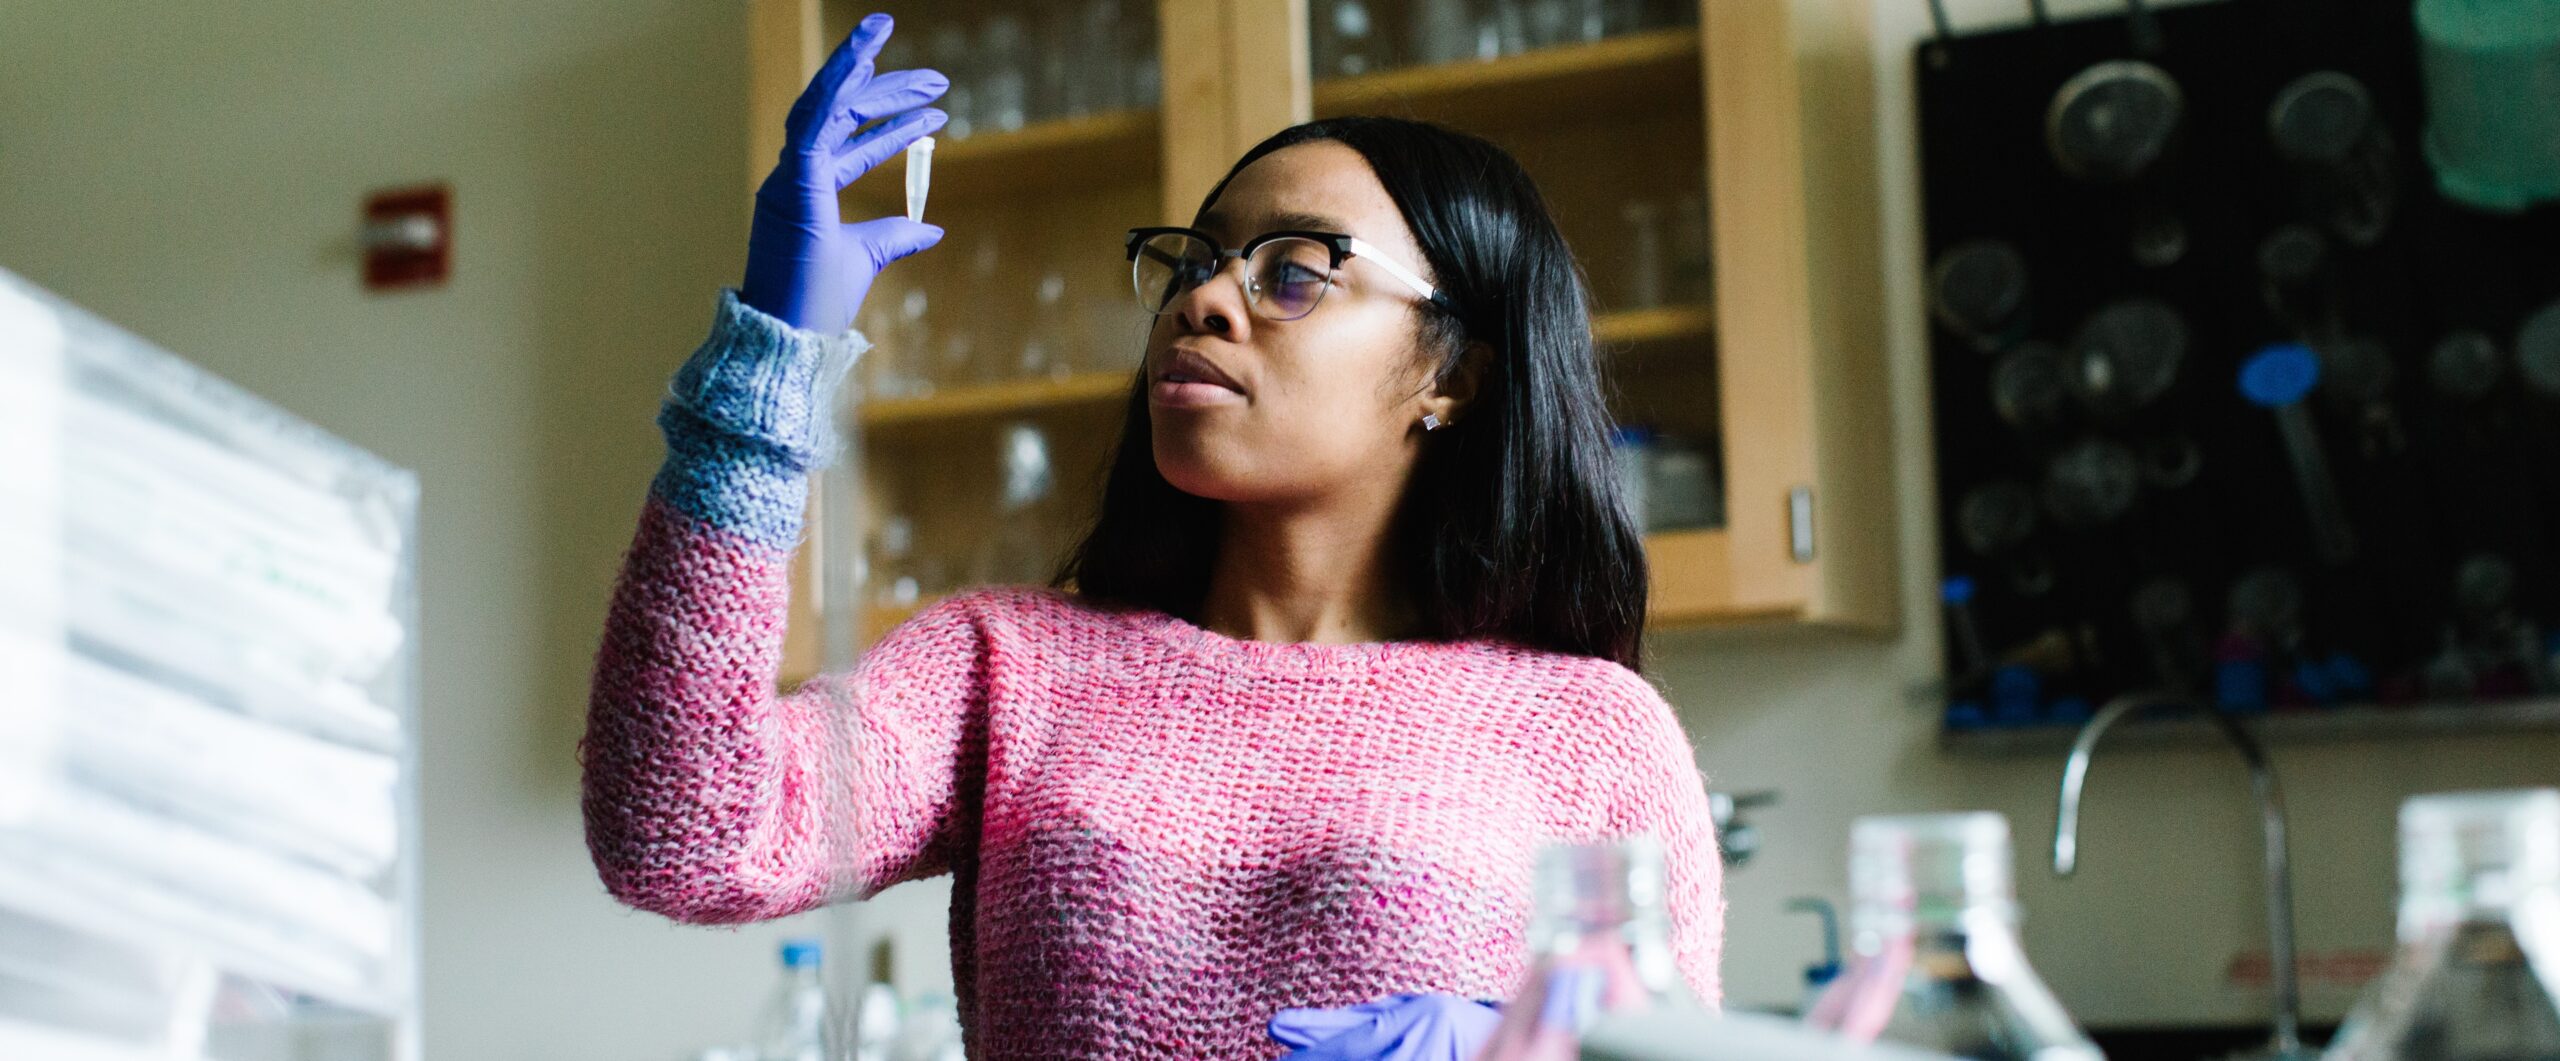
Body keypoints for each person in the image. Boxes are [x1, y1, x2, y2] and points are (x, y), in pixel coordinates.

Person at [580, 13, 1722, 1059]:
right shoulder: (1007, 666)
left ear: (1452, 374)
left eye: (1294, 272)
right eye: (1198, 258)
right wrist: (774, 353)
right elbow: (685, 832)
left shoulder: (1591, 732)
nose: (1202, 299)